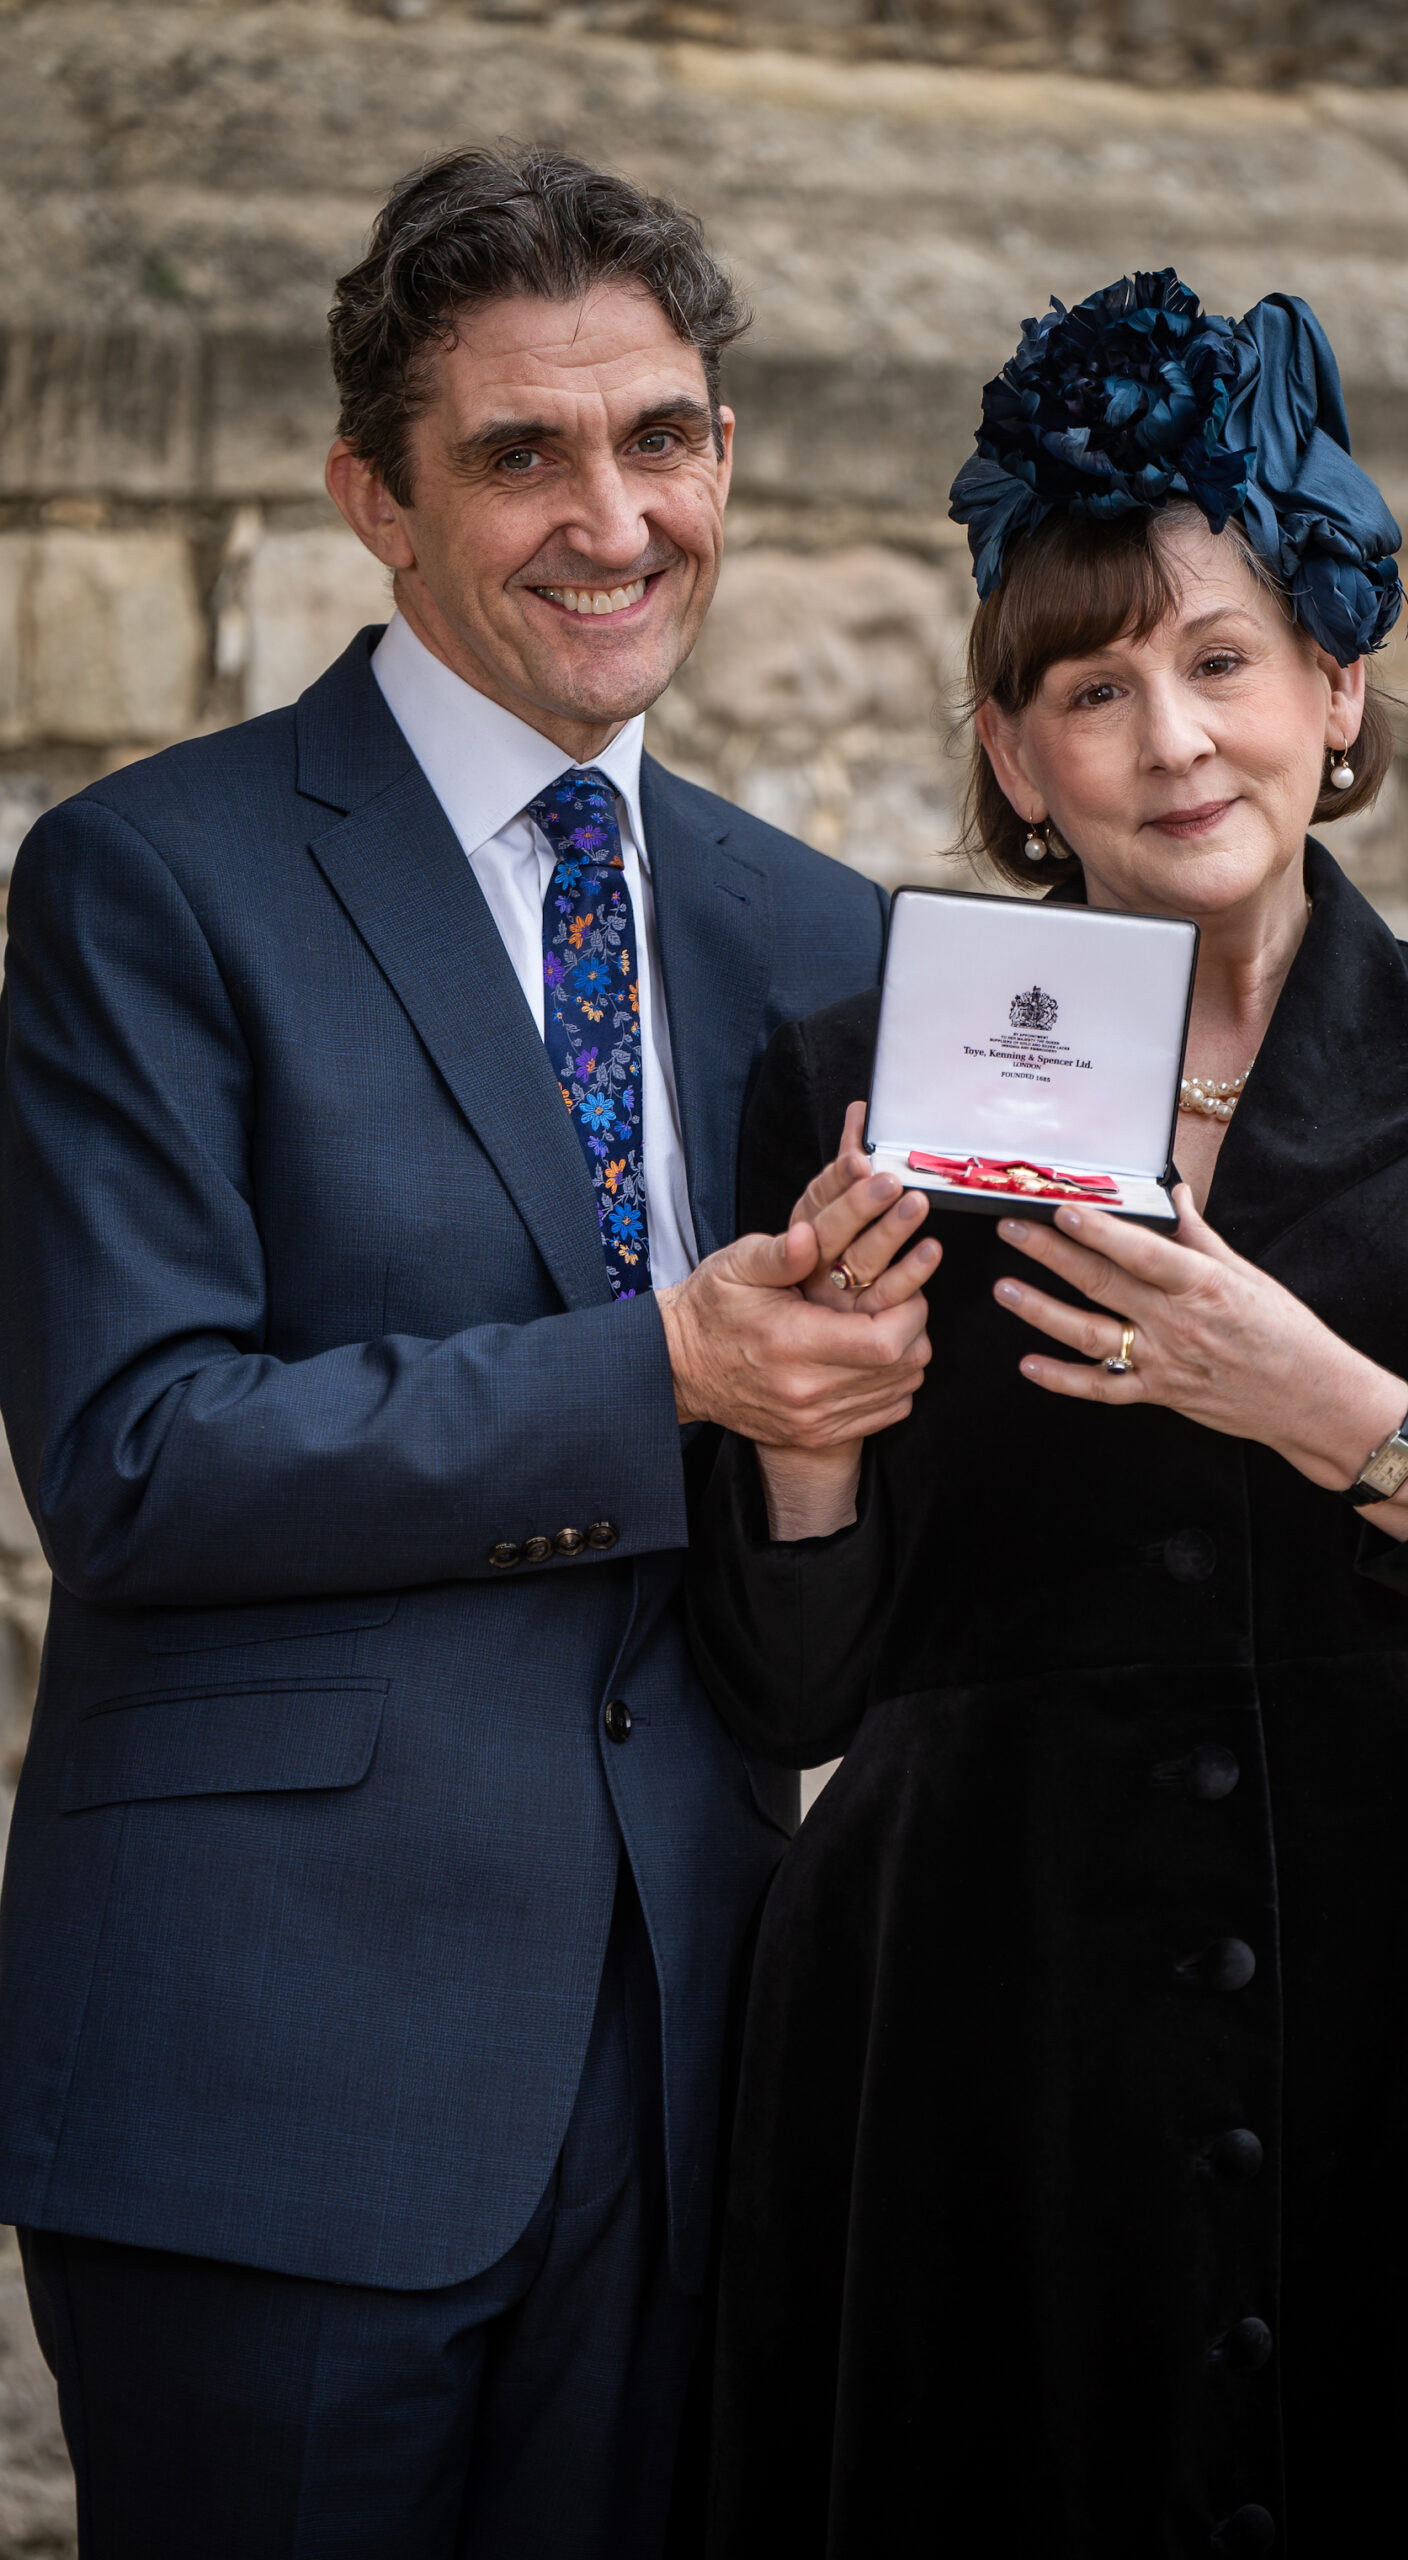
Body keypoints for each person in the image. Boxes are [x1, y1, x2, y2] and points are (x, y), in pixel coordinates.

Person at [685, 271, 1408, 2557]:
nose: (1167, 737)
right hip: (966, 2030)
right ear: (1013, 748)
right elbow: (792, 1682)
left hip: (1405, 2021)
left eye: (1219, 657)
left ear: (1333, 682)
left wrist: (1345, 1412)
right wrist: (812, 1439)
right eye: (1088, 682)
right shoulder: (849, 1087)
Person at [0, 147, 936, 2560]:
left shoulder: (816, 932)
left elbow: (820, 1645)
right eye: (519, 453)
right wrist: (678, 1373)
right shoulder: (150, 878)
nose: (607, 517)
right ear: (373, 502)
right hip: (273, 2080)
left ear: (722, 457)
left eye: (659, 439)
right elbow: (134, 1458)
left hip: (692, 2069)